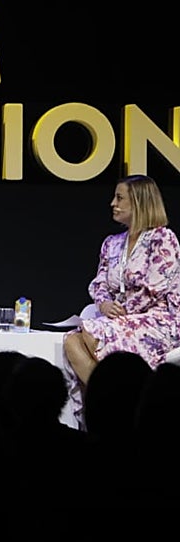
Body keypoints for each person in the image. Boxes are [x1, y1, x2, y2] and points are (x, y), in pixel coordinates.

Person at [62, 174, 180, 423]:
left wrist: (121, 310)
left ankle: (115, 405)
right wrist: (104, 304)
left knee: (92, 333)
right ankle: (115, 406)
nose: (112, 203)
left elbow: (155, 289)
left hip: (159, 320)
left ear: (138, 202)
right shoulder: (111, 244)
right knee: (71, 341)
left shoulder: (163, 239)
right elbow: (99, 282)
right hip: (118, 321)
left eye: (119, 198)